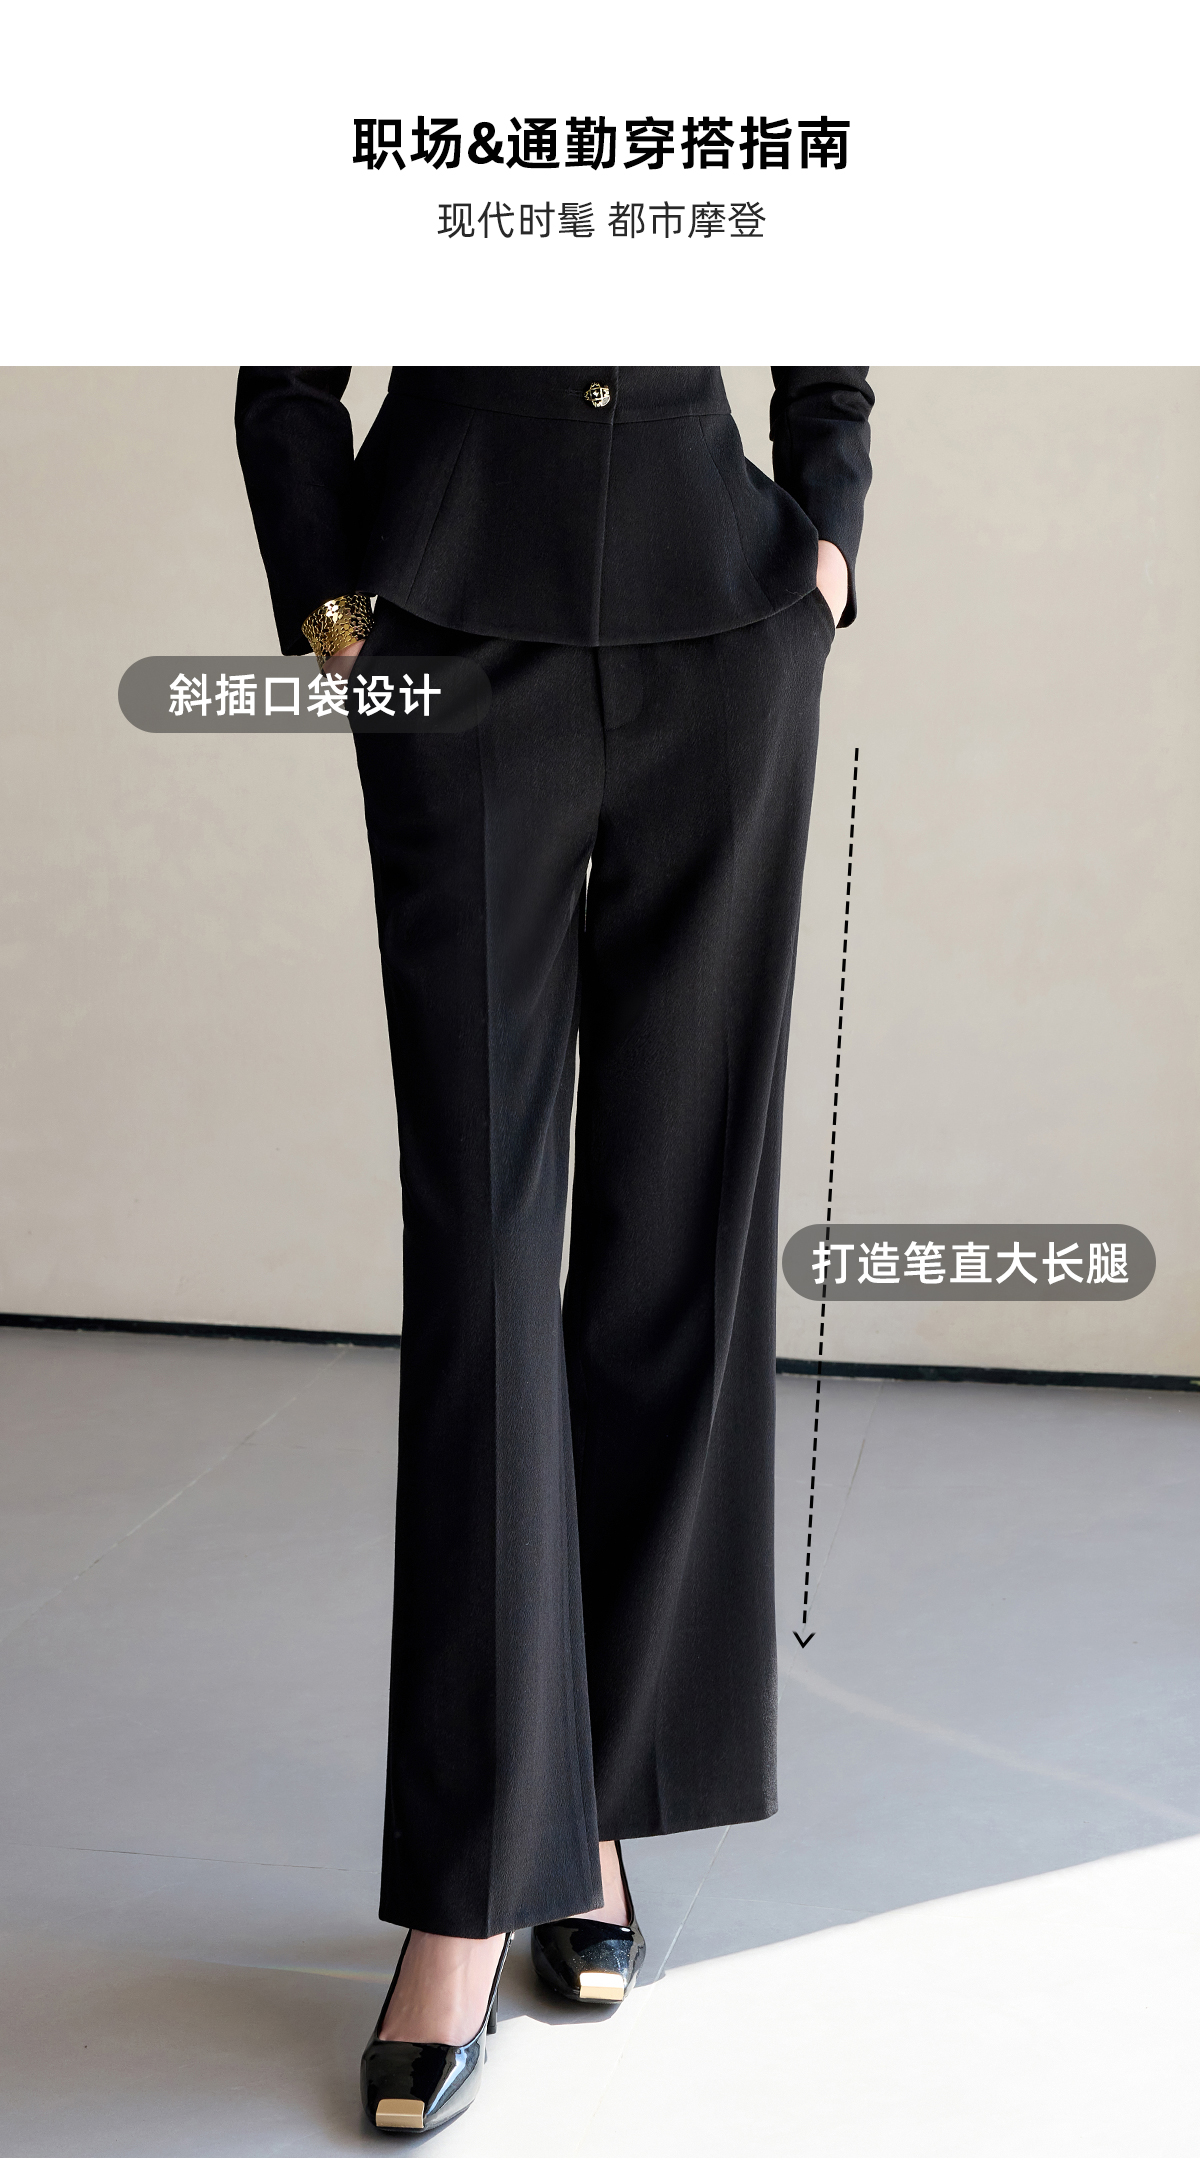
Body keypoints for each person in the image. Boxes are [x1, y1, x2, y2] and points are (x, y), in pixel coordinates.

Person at [235, 365, 873, 2131]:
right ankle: (464, 1892)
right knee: (486, 1269)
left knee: (680, 1237)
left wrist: (825, 545)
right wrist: (330, 611)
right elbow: (282, 369)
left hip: (722, 625)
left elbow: (838, 315)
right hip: (450, 624)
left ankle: (590, 1813)